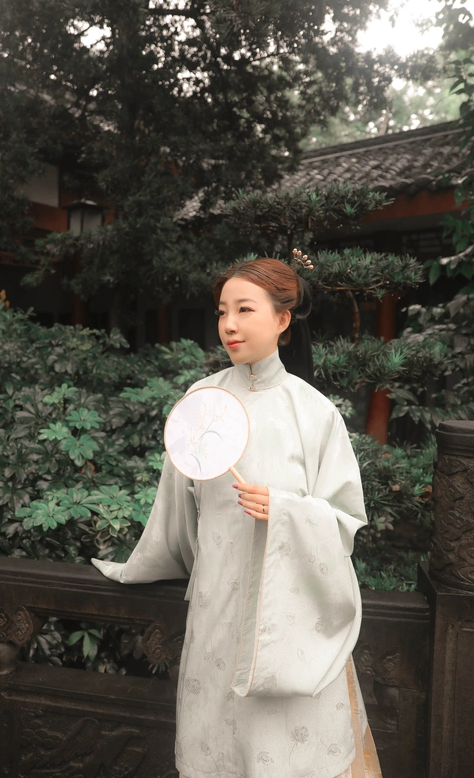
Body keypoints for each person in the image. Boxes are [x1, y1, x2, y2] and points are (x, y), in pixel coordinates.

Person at [92, 255, 382, 778]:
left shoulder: (315, 413)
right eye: (223, 311)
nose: (229, 324)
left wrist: (286, 511)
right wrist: (142, 567)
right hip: (216, 608)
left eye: (245, 309)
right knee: (216, 748)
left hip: (289, 624)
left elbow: (343, 521)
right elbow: (177, 516)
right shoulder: (200, 403)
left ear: (283, 319)